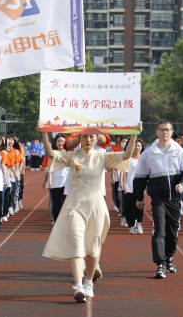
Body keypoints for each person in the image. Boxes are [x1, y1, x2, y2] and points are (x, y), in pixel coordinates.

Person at [38, 120, 142, 302]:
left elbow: (125, 154)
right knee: (77, 244)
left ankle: (88, 282)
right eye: (85, 136)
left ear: (96, 139)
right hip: (74, 205)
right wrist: (44, 133)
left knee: (93, 247)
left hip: (95, 206)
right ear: (79, 138)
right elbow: (51, 153)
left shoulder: (103, 157)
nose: (88, 139)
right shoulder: (72, 157)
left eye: (91, 136)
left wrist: (134, 132)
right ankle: (78, 286)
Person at [134, 120, 183, 280]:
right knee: (159, 229)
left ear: (172, 132)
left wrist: (182, 184)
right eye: (161, 130)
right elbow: (140, 177)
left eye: (167, 130)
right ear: (156, 132)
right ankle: (160, 264)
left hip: (175, 198)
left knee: (173, 232)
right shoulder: (148, 153)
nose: (164, 133)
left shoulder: (179, 151)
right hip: (158, 198)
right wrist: (139, 198)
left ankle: (169, 257)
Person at [122, 138, 145, 234]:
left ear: (142, 147)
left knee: (139, 207)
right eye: (135, 145)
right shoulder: (127, 159)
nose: (137, 148)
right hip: (129, 187)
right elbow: (124, 173)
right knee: (129, 208)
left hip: (140, 188)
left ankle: (139, 224)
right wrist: (123, 184)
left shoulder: (144, 159)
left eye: (139, 146)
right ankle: (131, 226)